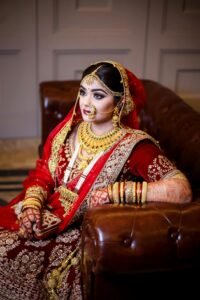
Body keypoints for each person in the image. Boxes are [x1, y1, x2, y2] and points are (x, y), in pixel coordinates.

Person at [0, 60, 192, 299]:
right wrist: (31, 207)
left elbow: (181, 189)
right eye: (83, 92)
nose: (86, 103)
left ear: (120, 103)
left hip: (81, 229)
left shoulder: (134, 146)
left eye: (98, 95)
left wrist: (116, 192)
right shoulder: (70, 130)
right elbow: (44, 173)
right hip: (47, 212)